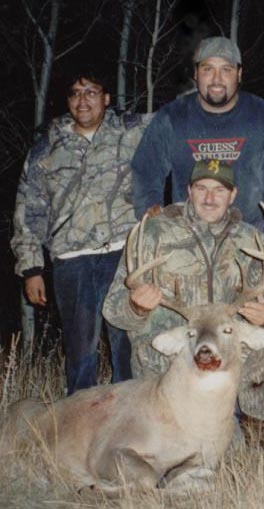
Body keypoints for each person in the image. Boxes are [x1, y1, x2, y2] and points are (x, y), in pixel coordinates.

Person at [103, 159, 264, 421]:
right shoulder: (154, 234)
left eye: (219, 190)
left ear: (233, 194)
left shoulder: (251, 238)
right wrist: (135, 307)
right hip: (173, 355)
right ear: (189, 191)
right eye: (202, 188)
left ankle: (257, 422)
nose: (210, 198)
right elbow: (113, 310)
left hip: (227, 350)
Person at [11, 67, 151, 395]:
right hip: (72, 261)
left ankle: (127, 428)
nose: (82, 100)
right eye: (75, 93)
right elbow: (28, 212)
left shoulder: (131, 132)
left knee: (127, 348)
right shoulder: (46, 148)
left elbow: (180, 122)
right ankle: (80, 429)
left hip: (124, 258)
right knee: (80, 353)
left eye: (90, 92)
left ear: (105, 98)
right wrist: (31, 269)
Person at [131, 36, 264, 233]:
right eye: (207, 69)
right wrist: (152, 213)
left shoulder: (263, 117)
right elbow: (145, 171)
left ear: (239, 74)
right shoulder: (172, 117)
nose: (216, 79)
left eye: (226, 70)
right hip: (188, 236)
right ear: (196, 74)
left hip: (248, 237)